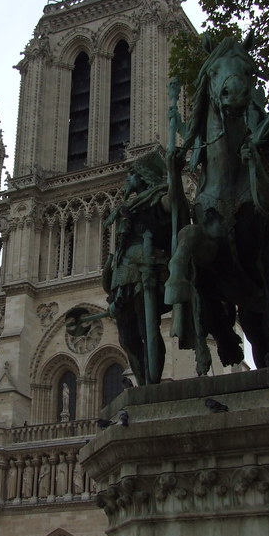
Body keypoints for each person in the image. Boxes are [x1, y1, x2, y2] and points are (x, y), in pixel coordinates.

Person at [102, 151, 174, 384]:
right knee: (127, 336)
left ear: (142, 176)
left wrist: (174, 175)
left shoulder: (156, 198)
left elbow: (171, 209)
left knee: (148, 329)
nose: (127, 178)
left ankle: (153, 382)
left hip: (145, 261)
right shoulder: (129, 204)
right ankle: (143, 383)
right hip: (123, 267)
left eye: (131, 173)